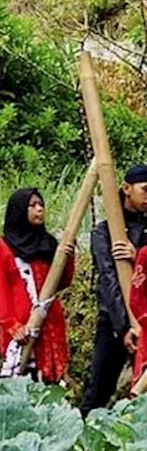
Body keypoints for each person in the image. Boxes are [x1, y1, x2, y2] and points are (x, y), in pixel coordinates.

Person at [0, 187, 76, 383]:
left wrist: (68, 258)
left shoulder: (48, 244)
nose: (39, 210)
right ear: (20, 210)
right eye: (32, 205)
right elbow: (0, 290)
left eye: (41, 205)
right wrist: (12, 325)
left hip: (50, 323)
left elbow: (62, 282)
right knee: (22, 379)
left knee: (50, 382)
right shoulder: (3, 248)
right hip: (23, 327)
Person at [82, 165, 147, 414]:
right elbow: (109, 281)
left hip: (146, 320)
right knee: (99, 390)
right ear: (127, 189)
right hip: (114, 321)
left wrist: (139, 256)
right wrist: (126, 326)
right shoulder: (104, 232)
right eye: (145, 190)